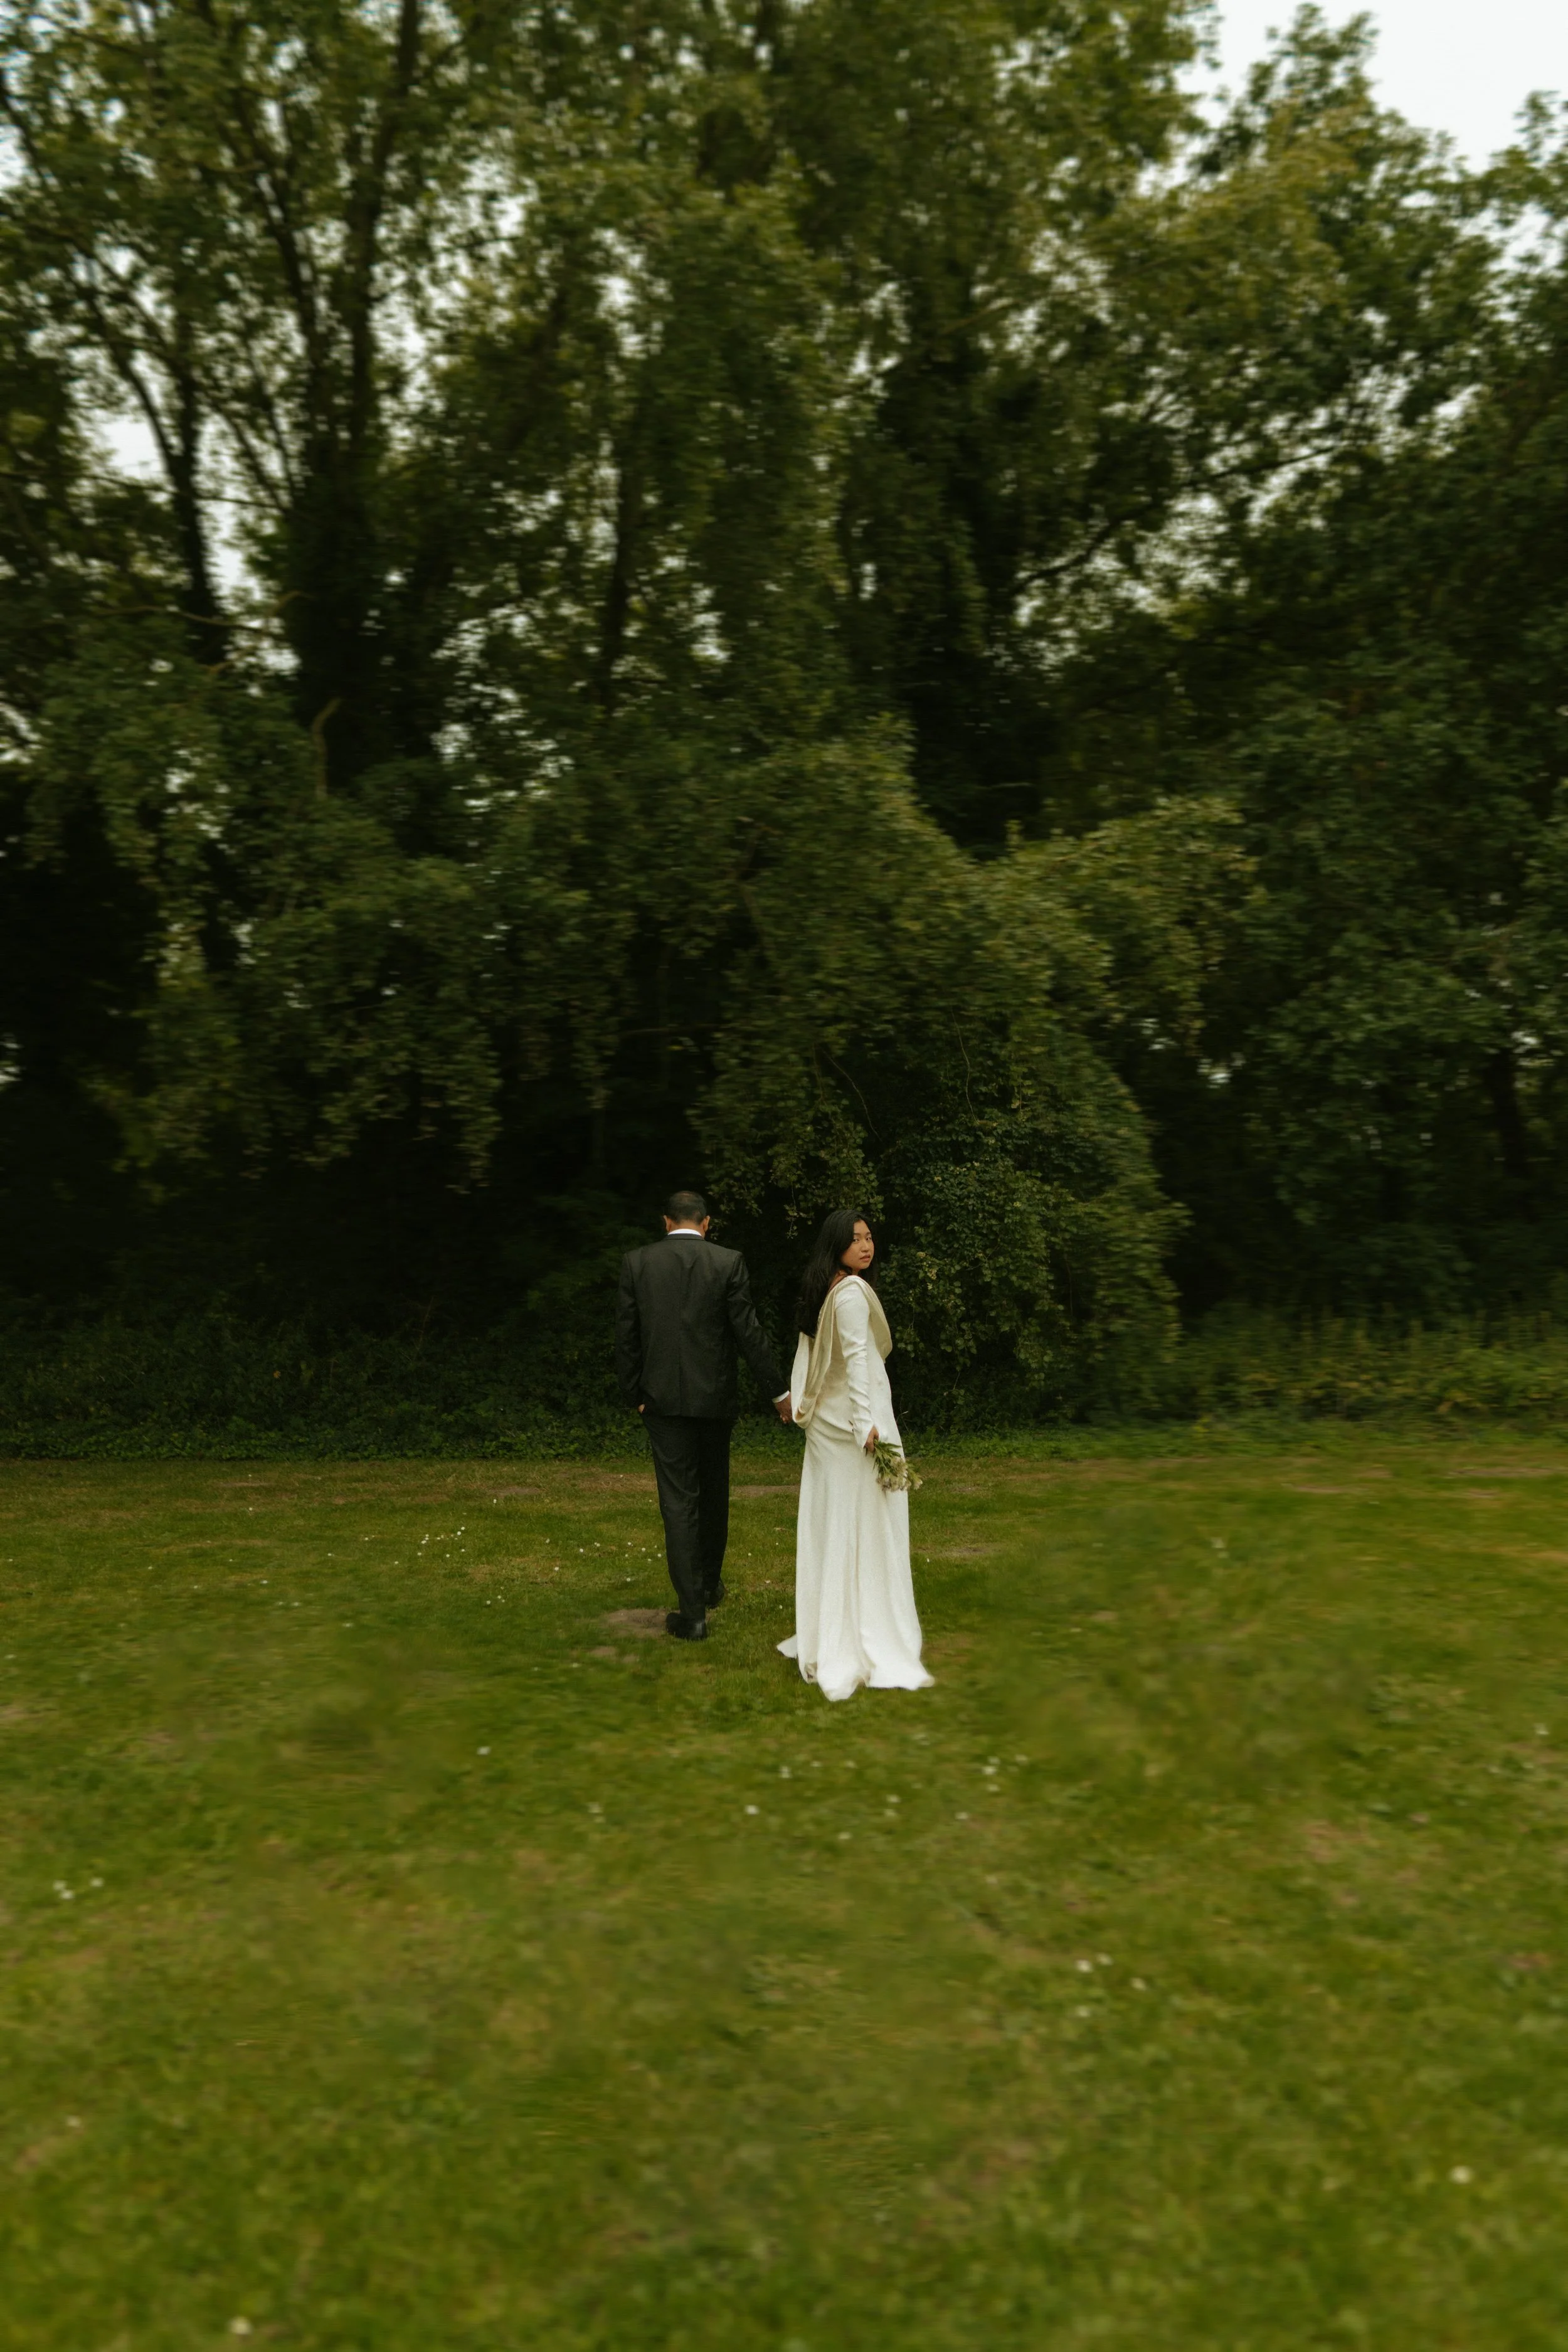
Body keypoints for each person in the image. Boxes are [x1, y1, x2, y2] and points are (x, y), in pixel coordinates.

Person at [615, 1189, 792, 1641]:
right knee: (714, 1494)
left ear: (666, 1221)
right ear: (707, 1223)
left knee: (679, 1503)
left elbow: (626, 1336)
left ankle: (693, 1612)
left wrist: (635, 1391)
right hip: (715, 1401)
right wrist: (778, 1392)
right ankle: (709, 1586)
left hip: (662, 1403)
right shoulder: (728, 1262)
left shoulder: (638, 1263)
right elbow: (748, 1333)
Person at [780, 1210, 933, 1702]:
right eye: (856, 1239)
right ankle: (860, 1632)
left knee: (837, 1519)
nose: (867, 1246)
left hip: (830, 1420)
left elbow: (811, 1360)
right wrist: (866, 1422)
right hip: (853, 1424)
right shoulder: (847, 1295)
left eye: (870, 1237)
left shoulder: (827, 1286)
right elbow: (859, 1358)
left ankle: (833, 1625)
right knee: (864, 1520)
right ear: (837, 1245)